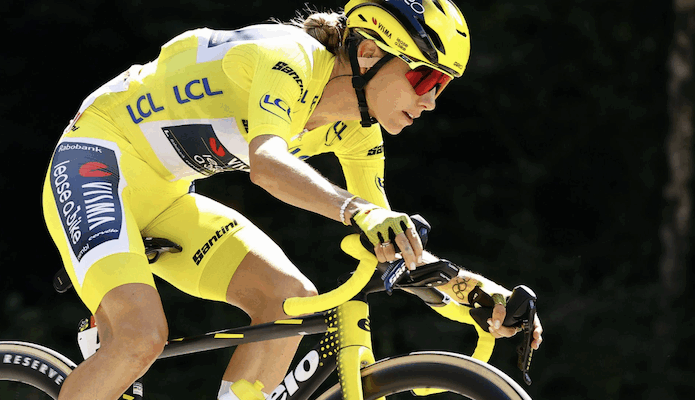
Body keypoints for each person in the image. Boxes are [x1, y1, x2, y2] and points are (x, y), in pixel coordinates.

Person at [42, 0, 542, 399]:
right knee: (139, 337)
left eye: (442, 85)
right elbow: (267, 164)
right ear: (370, 53)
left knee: (288, 301)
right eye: (423, 78)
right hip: (96, 159)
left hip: (165, 194)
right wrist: (358, 210)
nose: (431, 100)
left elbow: (391, 243)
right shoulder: (290, 59)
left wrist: (475, 294)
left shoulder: (358, 131)